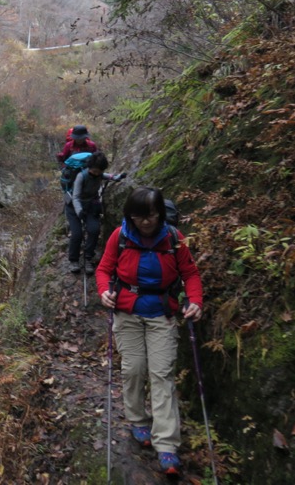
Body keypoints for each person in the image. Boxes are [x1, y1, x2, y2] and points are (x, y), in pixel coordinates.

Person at [95, 186, 203, 476]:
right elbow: (104, 269)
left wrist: (195, 301)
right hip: (127, 313)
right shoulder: (120, 236)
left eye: (151, 216)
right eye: (140, 216)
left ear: (160, 214)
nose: (146, 222)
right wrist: (104, 291)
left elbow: (190, 273)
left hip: (161, 314)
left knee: (161, 374)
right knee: (133, 369)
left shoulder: (173, 238)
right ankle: (138, 420)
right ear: (130, 215)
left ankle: (166, 445)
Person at [65, 151, 123, 274]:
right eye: (95, 171)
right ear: (90, 167)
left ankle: (88, 258)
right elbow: (75, 197)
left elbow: (106, 176)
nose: (97, 173)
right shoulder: (81, 176)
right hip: (74, 208)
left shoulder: (99, 174)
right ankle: (74, 260)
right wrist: (79, 211)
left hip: (90, 206)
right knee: (77, 234)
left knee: (94, 230)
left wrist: (116, 178)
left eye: (99, 171)